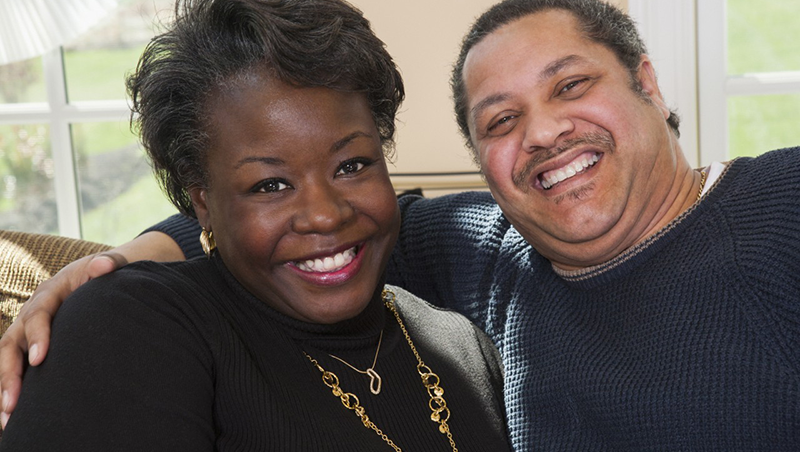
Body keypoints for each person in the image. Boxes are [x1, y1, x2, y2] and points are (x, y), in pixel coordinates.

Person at [2, 0, 800, 450]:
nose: (545, 133)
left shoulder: (782, 202)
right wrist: (119, 265)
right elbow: (294, 221)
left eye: (571, 85)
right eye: (499, 120)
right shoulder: (492, 253)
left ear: (648, 85)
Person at [0, 0, 512, 450]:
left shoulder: (463, 346)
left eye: (352, 165)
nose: (324, 214)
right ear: (202, 202)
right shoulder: (132, 326)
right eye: (270, 185)